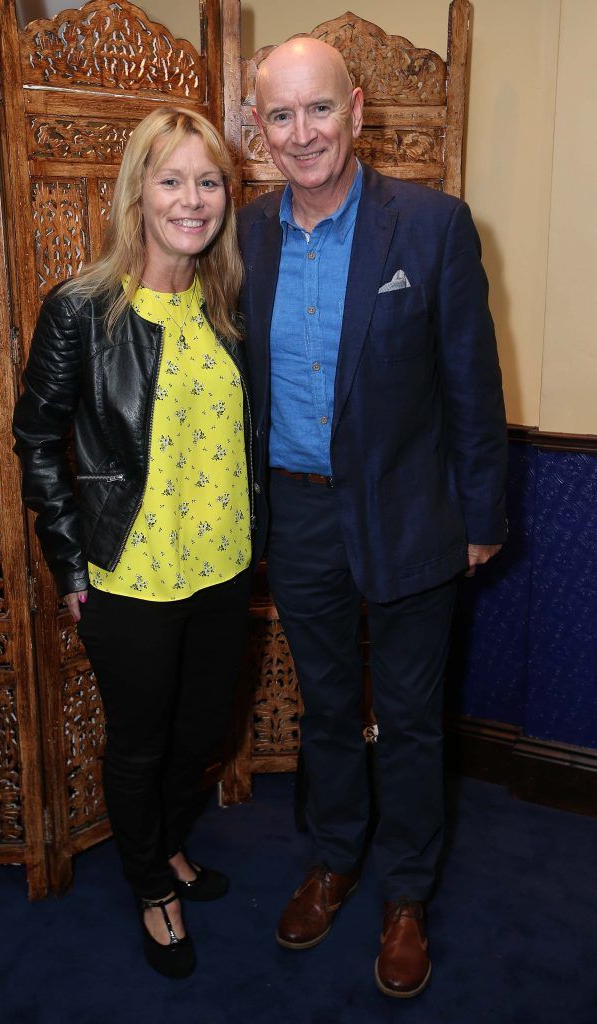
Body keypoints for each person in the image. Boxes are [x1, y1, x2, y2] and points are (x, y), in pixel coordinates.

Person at [238, 37, 508, 998]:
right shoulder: (244, 234)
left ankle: (405, 895)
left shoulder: (431, 226)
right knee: (323, 710)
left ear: (356, 109)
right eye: (280, 115)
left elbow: (472, 386)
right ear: (256, 126)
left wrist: (481, 516)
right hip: (297, 518)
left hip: (410, 515)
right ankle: (334, 860)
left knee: (409, 720)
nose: (302, 133)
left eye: (318, 109)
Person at [13, 107, 256, 979]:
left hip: (224, 567)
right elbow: (36, 438)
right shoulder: (81, 309)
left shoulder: (226, 305)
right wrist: (67, 561)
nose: (193, 199)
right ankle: (153, 883)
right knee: (143, 743)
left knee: (199, 738)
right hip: (129, 576)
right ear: (136, 193)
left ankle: (169, 844)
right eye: (171, 179)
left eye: (208, 181)